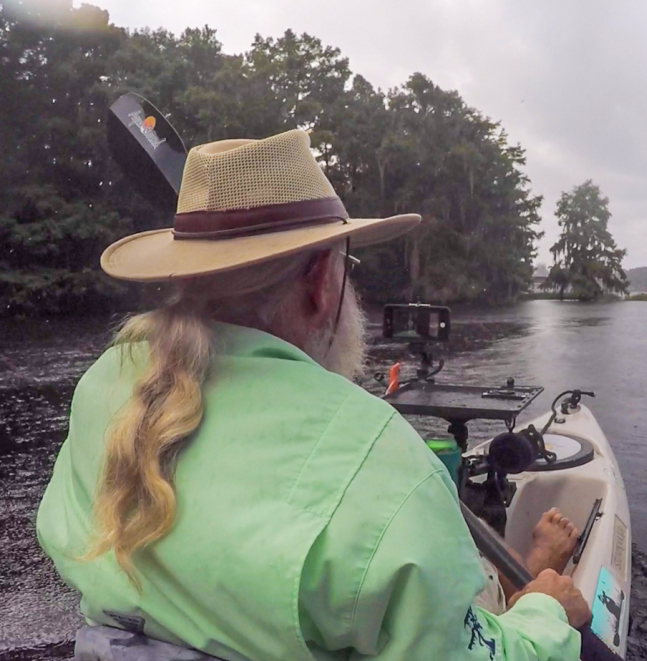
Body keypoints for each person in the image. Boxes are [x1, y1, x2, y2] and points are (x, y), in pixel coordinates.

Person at [36, 129, 588, 661]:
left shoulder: (105, 382)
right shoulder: (382, 463)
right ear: (322, 282)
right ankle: (527, 590)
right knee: (504, 599)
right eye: (347, 267)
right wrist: (546, 616)